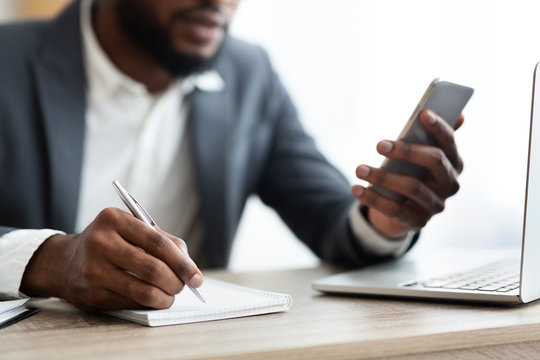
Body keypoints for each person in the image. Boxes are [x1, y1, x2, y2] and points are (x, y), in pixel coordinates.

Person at [0, 0, 463, 311]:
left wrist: (386, 219)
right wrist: (49, 260)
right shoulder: (9, 58)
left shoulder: (249, 73)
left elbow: (327, 216)